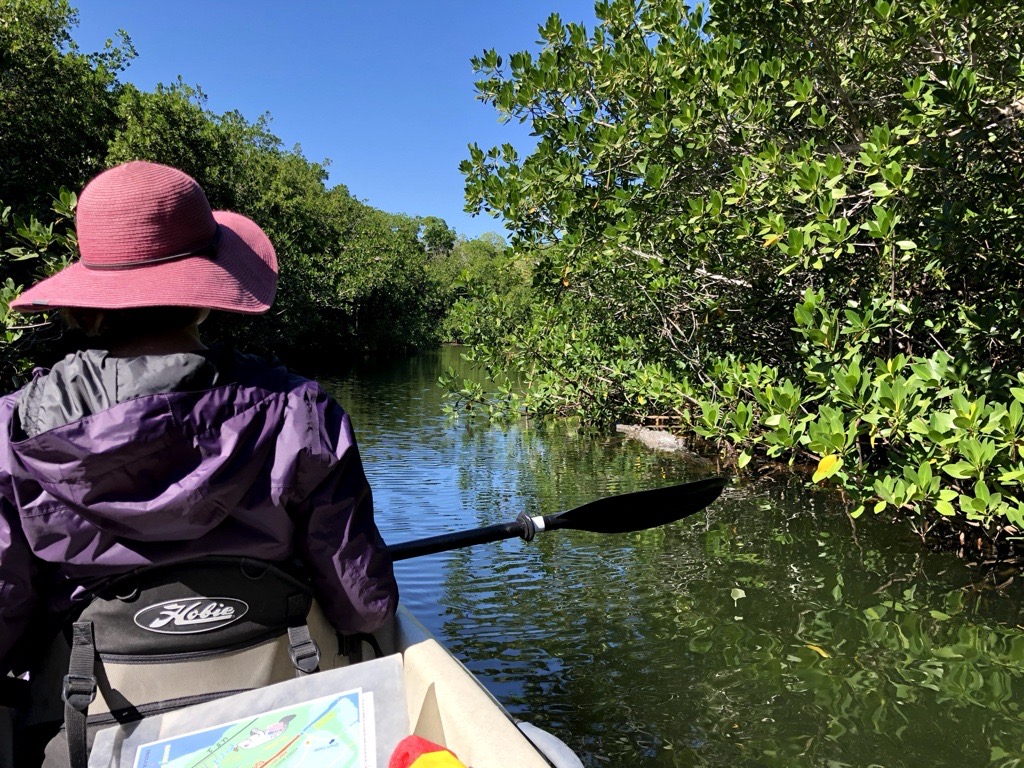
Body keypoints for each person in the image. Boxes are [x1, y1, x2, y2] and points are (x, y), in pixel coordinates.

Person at [0, 161, 399, 760]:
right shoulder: (300, 411)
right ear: (206, 291)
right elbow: (362, 606)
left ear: (89, 296)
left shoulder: (11, 430)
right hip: (286, 729)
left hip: (91, 735)